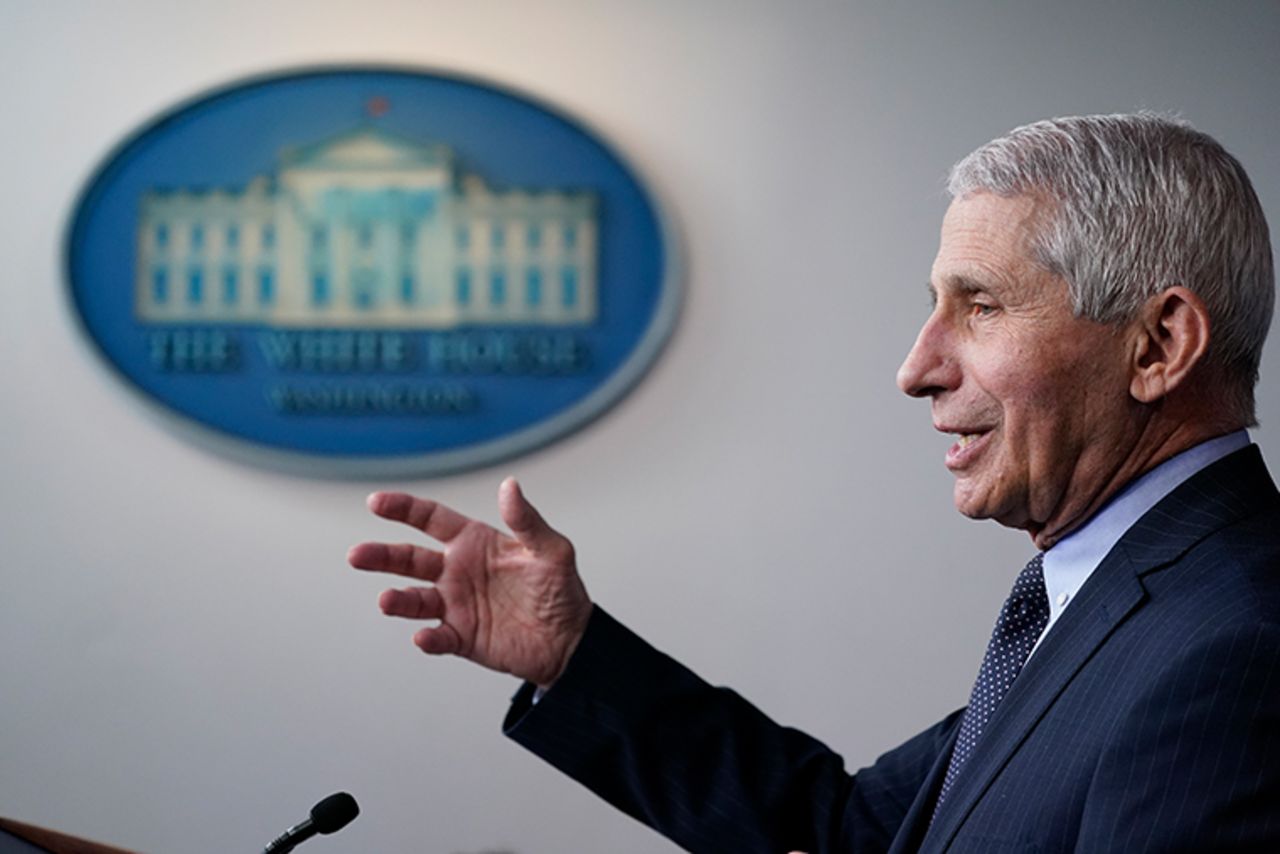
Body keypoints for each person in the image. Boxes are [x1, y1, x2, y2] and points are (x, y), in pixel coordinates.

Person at [348, 114, 1280, 852]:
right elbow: (857, 834)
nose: (916, 368)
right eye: (933, 311)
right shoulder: (1115, 602)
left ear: (1158, 345)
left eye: (981, 306)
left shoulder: (1238, 649)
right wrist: (573, 655)